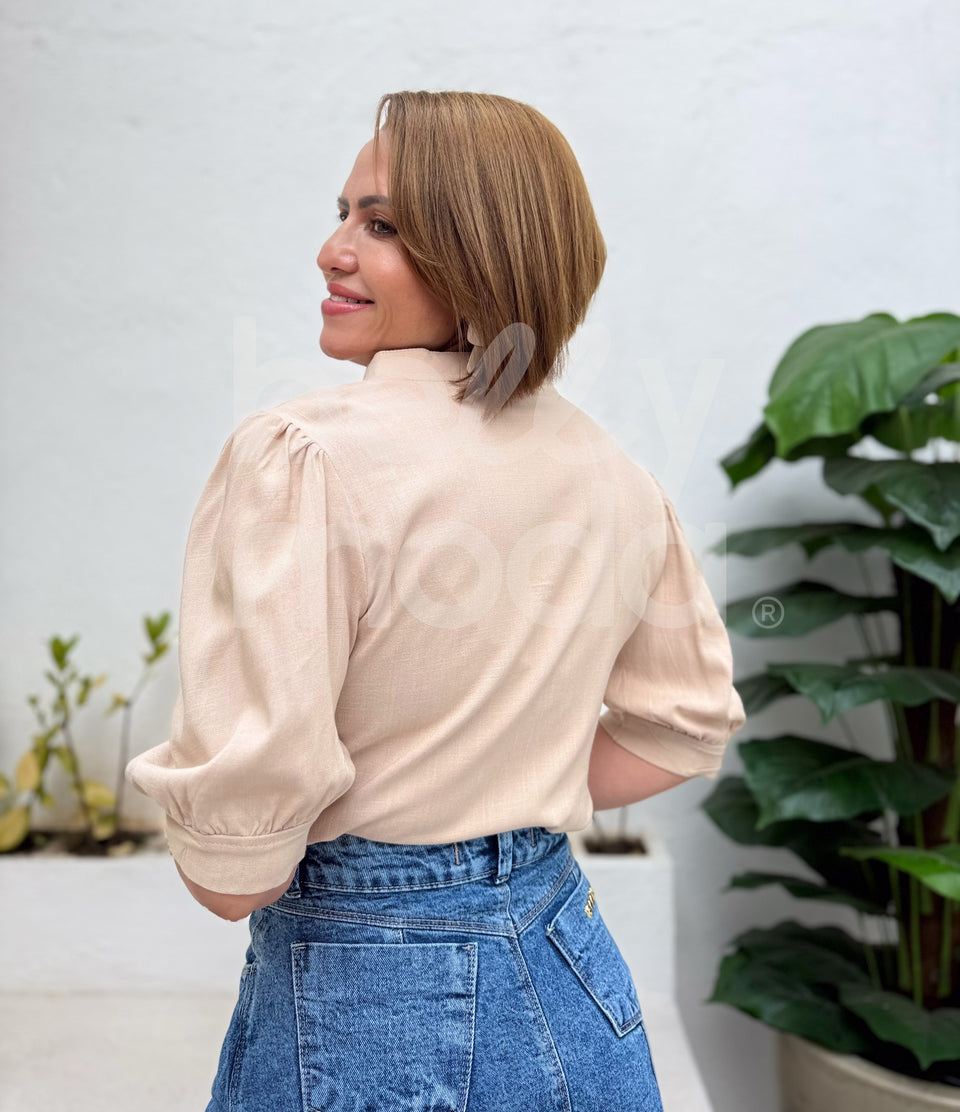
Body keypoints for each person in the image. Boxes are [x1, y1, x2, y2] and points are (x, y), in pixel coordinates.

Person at [125, 90, 746, 1112]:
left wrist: (315, 841)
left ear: (480, 254)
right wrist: (506, 789)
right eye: (342, 214)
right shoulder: (616, 474)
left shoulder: (305, 457)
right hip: (569, 964)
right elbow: (685, 726)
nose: (331, 250)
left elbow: (236, 878)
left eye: (381, 225)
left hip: (367, 984)